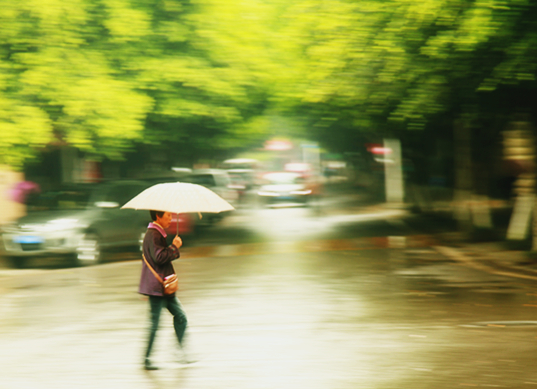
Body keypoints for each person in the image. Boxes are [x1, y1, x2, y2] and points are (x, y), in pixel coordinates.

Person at [139, 210, 191, 370]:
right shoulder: (153, 234)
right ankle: (147, 359)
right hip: (157, 287)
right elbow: (159, 257)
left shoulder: (156, 233)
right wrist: (174, 247)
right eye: (168, 216)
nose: (171, 218)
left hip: (163, 286)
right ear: (158, 216)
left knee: (181, 316)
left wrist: (172, 247)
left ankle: (179, 352)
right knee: (155, 324)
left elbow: (159, 256)